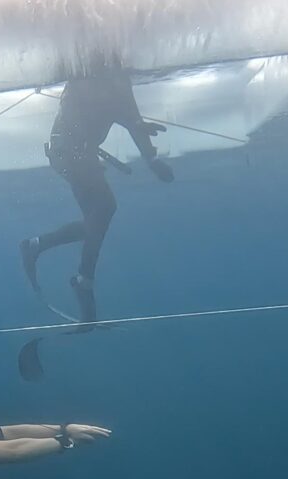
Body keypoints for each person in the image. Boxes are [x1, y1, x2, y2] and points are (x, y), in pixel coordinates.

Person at [21, 57, 174, 322]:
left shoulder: (115, 78)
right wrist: (148, 153)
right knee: (103, 209)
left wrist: (152, 158)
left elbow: (132, 118)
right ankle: (83, 279)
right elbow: (120, 115)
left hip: (73, 154)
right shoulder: (87, 74)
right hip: (70, 153)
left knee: (97, 218)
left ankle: (38, 246)